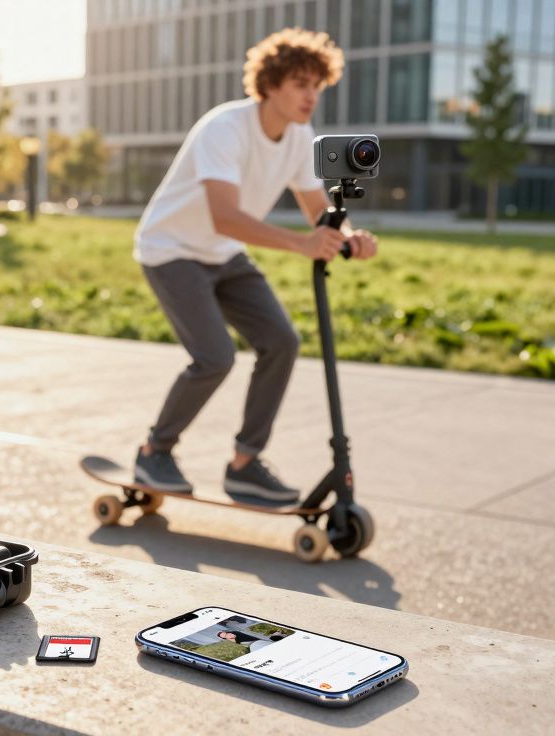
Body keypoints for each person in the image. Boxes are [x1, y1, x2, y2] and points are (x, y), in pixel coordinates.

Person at [132, 28, 379, 505]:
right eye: (301, 84)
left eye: (317, 86)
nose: (311, 96)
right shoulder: (225, 128)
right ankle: (153, 452)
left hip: (223, 254)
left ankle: (245, 464)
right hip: (172, 249)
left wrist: (348, 236)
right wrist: (303, 245)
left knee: (281, 341)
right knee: (215, 357)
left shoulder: (299, 136)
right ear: (270, 84)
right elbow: (225, 217)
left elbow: (317, 210)